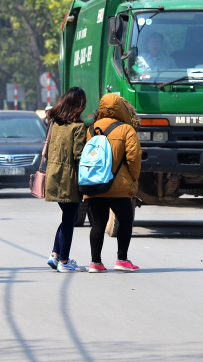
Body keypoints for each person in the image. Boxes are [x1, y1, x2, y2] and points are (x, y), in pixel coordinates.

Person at [85, 93, 142, 273]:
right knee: (125, 220)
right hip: (118, 187)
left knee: (98, 223)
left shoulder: (91, 129)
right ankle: (122, 260)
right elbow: (134, 158)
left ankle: (95, 263)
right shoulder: (127, 129)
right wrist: (133, 178)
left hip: (94, 184)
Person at [44, 87, 88, 273]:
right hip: (69, 178)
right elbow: (79, 155)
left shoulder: (55, 124)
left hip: (53, 176)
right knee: (70, 219)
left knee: (69, 216)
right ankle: (63, 261)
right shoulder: (78, 127)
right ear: (78, 106)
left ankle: (55, 255)